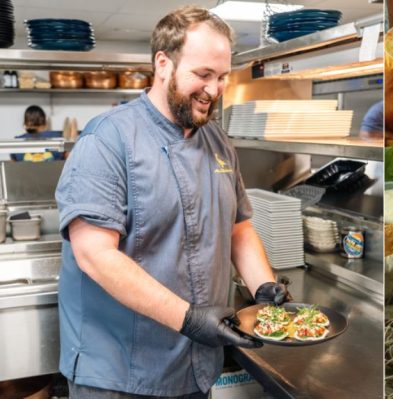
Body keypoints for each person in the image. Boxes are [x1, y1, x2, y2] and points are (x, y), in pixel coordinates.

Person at [54, 6, 289, 398]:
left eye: (222, 77)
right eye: (202, 75)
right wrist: (188, 319)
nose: (214, 90)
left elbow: (238, 227)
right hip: (120, 374)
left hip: (195, 366)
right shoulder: (108, 140)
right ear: (163, 64)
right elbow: (95, 254)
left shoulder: (217, 142)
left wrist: (263, 288)